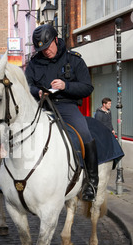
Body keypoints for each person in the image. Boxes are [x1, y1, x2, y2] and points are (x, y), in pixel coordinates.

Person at [25, 24, 98, 202]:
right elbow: (27, 86)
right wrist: (37, 92)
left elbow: (87, 87)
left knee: (85, 133)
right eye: (41, 49)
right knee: (19, 131)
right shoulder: (34, 63)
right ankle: (15, 180)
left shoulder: (74, 60)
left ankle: (91, 182)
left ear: (55, 40)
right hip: (41, 105)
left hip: (66, 105)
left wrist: (66, 86)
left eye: (47, 47)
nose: (45, 51)